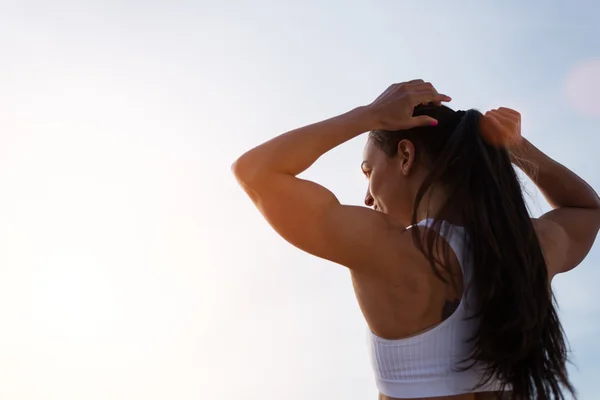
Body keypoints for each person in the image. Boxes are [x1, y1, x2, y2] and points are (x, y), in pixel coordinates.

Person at [231, 79, 600, 400]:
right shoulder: (531, 247)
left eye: (368, 171)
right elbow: (587, 210)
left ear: (405, 155)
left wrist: (368, 115)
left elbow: (255, 171)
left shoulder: (387, 249)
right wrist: (516, 147)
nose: (367, 197)